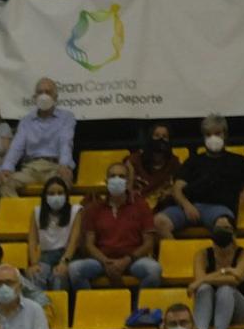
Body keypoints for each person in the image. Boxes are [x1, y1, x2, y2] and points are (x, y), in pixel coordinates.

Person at [155, 115, 244, 239]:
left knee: (224, 226)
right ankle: (176, 255)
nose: (213, 138)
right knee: (159, 222)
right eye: (208, 134)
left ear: (225, 135)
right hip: (190, 206)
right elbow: (177, 188)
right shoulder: (193, 161)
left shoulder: (238, 161)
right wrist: (186, 205)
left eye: (217, 133)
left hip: (220, 209)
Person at [67, 162, 160, 291]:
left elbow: (149, 243)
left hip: (133, 260)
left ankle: (140, 308)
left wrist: (127, 260)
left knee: (154, 270)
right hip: (101, 260)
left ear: (128, 182)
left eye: (121, 176)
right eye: (113, 176)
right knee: (74, 269)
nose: (117, 179)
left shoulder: (141, 206)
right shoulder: (94, 208)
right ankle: (90, 305)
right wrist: (106, 262)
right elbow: (89, 244)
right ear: (106, 181)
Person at [0, 78, 75, 196]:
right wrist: (6, 169)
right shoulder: (26, 121)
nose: (44, 96)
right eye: (40, 92)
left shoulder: (66, 117)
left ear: (55, 97)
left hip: (55, 167)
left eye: (48, 92)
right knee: (3, 181)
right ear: (34, 97)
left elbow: (65, 142)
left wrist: (64, 165)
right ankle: (21, 213)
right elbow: (16, 147)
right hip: (30, 169)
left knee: (64, 181)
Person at [190, 218, 244, 329]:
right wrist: (226, 271)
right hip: (212, 308)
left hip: (243, 310)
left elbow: (235, 279)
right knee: (204, 288)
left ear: (234, 232)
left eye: (226, 228)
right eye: (218, 229)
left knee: (226, 288)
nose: (222, 232)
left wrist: (204, 279)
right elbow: (200, 282)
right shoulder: (202, 254)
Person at [25, 182, 81, 293]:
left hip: (67, 255)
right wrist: (34, 263)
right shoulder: (37, 212)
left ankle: (58, 308)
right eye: (51, 193)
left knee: (59, 276)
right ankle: (42, 307)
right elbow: (32, 241)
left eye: (60, 193)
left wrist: (64, 262)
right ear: (45, 196)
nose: (56, 196)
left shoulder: (75, 210)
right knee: (36, 275)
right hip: (46, 256)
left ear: (66, 195)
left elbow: (74, 241)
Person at [123, 124, 179, 210]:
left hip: (163, 208)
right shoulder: (133, 161)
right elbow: (127, 190)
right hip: (136, 207)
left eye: (165, 137)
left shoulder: (174, 162)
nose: (161, 139)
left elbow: (177, 188)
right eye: (156, 136)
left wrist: (169, 192)